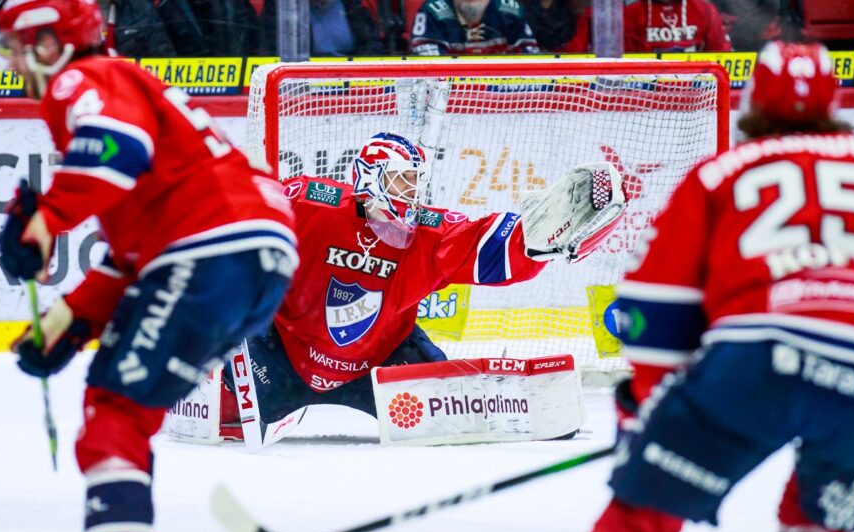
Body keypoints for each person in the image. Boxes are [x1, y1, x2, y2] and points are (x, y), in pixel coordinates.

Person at [0, 1, 296, 532]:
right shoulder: (128, 82)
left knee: (114, 414)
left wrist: (48, 218)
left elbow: (118, 147)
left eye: (16, 48)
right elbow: (137, 257)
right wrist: (72, 320)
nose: (11, 63)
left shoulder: (83, 78)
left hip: (213, 249)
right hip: (254, 259)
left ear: (51, 45)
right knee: (124, 407)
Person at [570, 41, 854, 532]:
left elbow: (653, 307)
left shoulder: (722, 172)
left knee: (644, 516)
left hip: (756, 358)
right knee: (820, 520)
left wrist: (650, 403)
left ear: (751, 102)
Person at [221, 132, 626, 439]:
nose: (413, 193)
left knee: (454, 414)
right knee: (216, 398)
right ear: (370, 178)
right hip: (283, 354)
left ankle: (518, 408)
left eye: (417, 181)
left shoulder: (427, 233)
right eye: (402, 180)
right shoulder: (311, 204)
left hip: (380, 364)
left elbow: (484, 246)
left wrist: (534, 242)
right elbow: (244, 217)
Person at [409, 0, 540, 55]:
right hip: (449, 96)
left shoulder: (510, 11)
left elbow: (532, 64)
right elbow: (428, 71)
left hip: (502, 96)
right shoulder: (432, 12)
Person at [259, 0, 383, 57]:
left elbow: (373, 46)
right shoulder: (281, 7)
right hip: (304, 85)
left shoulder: (353, 6)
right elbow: (271, 52)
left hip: (352, 84)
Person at [623, 0, 732, 52]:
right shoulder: (631, 13)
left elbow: (722, 53)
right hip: (645, 86)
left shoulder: (705, 10)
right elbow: (624, 61)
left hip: (697, 85)